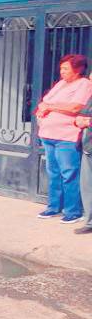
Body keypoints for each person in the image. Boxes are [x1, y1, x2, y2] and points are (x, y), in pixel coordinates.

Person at [35, 54, 92, 223]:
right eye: (61, 68)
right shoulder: (61, 84)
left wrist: (50, 107)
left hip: (66, 136)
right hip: (48, 134)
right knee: (53, 173)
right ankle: (53, 207)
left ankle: (73, 211)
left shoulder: (83, 84)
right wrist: (43, 108)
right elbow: (44, 102)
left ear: (78, 69)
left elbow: (75, 107)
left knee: (69, 173)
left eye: (66, 68)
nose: (62, 71)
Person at [76, 94, 92, 235]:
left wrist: (88, 121)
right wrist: (80, 120)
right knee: (87, 187)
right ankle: (90, 222)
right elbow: (80, 117)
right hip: (88, 147)